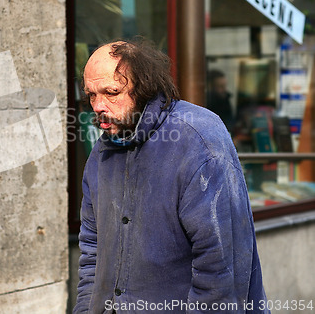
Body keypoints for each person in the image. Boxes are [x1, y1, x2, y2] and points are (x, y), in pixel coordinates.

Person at [73, 39, 269, 313]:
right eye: (91, 95)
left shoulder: (198, 138)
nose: (98, 106)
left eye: (112, 92)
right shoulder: (102, 151)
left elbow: (220, 269)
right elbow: (92, 251)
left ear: (143, 88)